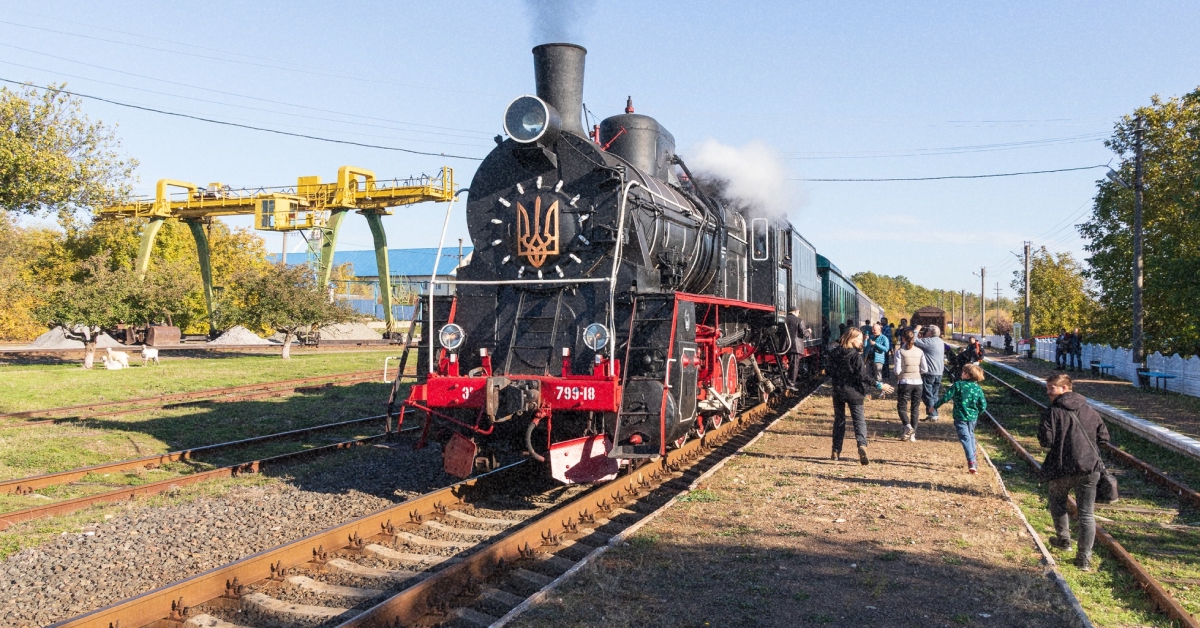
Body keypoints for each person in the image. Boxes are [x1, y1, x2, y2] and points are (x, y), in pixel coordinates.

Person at [1038, 373, 1110, 571]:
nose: (1048, 392)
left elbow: (1046, 441)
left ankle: (1064, 541)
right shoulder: (1089, 410)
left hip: (1061, 468)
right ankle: (1084, 559)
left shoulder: (1052, 412)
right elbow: (1104, 438)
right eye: (1047, 388)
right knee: (1087, 513)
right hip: (1089, 468)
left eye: (1052, 388)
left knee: (1057, 501)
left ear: (1064, 388)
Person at [827, 328, 885, 465]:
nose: (861, 341)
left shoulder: (834, 353)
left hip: (838, 391)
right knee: (859, 421)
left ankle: (835, 451)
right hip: (855, 392)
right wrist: (878, 385)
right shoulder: (855, 356)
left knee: (839, 421)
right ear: (851, 339)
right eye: (859, 339)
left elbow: (829, 370)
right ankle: (862, 445)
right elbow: (862, 376)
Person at [935, 363, 988, 473]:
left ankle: (971, 462)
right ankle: (974, 460)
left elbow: (946, 397)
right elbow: (983, 405)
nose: (961, 373)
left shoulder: (958, 385)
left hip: (960, 417)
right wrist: (977, 413)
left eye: (963, 372)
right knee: (970, 436)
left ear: (967, 375)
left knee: (965, 438)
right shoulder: (977, 388)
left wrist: (934, 406)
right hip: (972, 418)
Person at [893, 328, 924, 442]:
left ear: (903, 339)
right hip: (918, 382)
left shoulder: (900, 352)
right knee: (915, 408)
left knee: (902, 407)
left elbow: (897, 370)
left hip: (905, 382)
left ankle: (908, 426)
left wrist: (900, 374)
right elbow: (924, 369)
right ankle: (912, 435)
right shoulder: (920, 351)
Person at [913, 324, 946, 421]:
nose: (925, 332)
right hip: (939, 372)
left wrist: (917, 329)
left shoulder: (929, 341)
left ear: (931, 333)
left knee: (927, 394)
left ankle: (933, 414)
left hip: (930, 372)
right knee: (934, 394)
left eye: (927, 331)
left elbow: (913, 340)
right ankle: (934, 414)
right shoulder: (940, 341)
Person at [785, 308, 803, 389]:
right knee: (794, 365)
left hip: (784, 346)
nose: (799, 314)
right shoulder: (799, 320)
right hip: (795, 347)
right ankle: (791, 384)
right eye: (799, 312)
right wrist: (809, 331)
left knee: (791, 364)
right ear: (796, 311)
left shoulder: (783, 319)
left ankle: (786, 380)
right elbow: (804, 333)